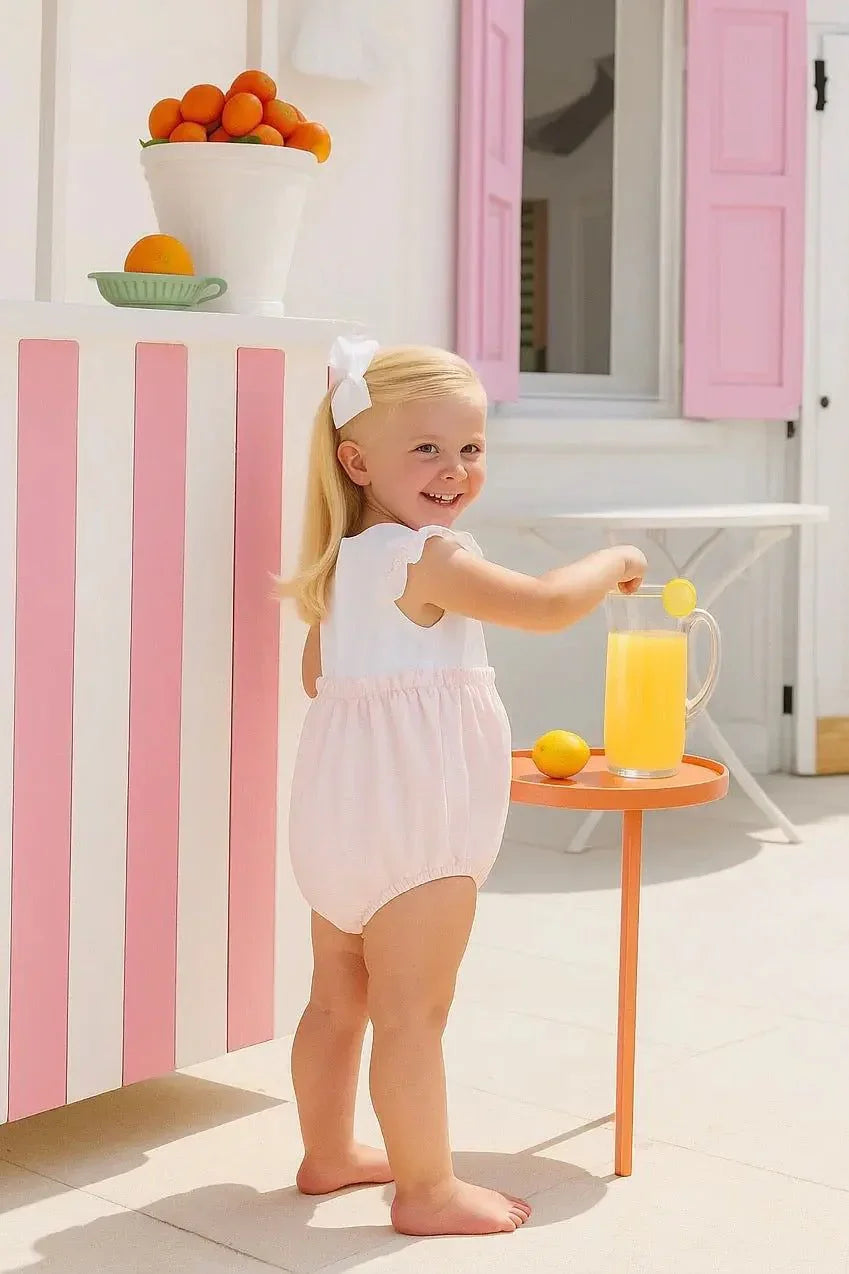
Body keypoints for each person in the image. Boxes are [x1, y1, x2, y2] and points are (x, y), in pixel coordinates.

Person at [278, 337, 646, 1237]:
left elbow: (314, 679)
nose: (454, 470)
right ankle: (427, 1190)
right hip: (419, 829)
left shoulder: (342, 568)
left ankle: (327, 1154)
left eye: (470, 448)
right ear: (356, 460)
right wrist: (614, 560)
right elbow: (547, 606)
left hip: (337, 822)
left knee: (337, 998)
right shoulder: (427, 556)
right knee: (413, 1015)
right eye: (427, 449)